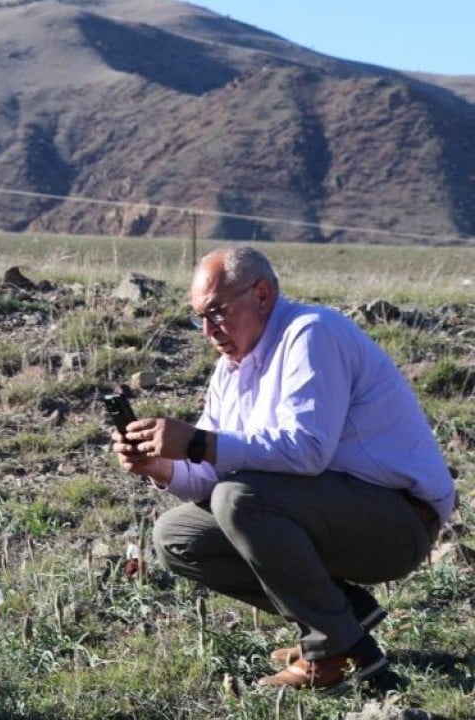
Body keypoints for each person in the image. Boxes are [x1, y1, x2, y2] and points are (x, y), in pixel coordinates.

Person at [111, 246, 455, 691]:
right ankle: (343, 619)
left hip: (396, 523)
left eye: (216, 312)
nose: (207, 330)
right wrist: (159, 466)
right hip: (332, 512)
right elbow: (209, 475)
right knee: (176, 537)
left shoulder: (311, 334)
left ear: (262, 293)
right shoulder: (229, 371)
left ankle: (327, 653)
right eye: (198, 317)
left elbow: (307, 450)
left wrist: (198, 442)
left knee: (239, 498)